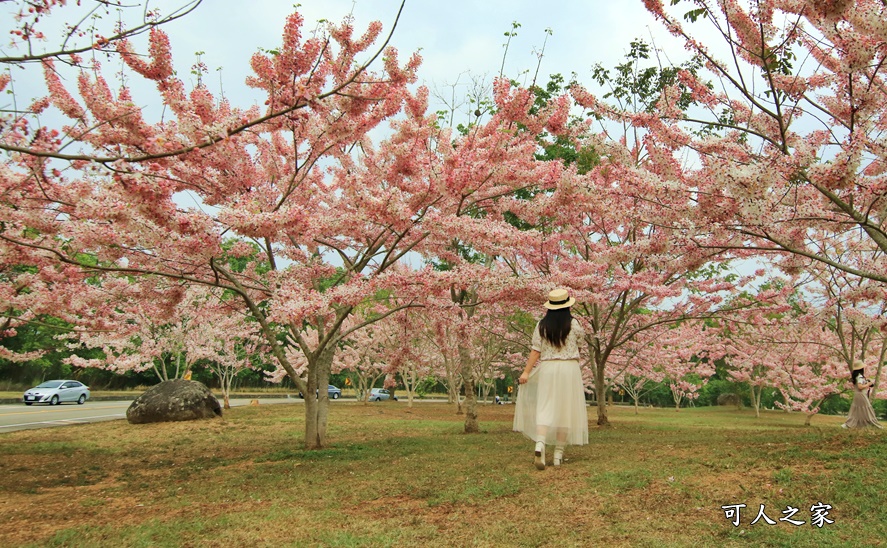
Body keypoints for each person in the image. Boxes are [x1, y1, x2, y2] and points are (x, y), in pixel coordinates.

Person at [513, 288, 589, 470]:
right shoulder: (574, 324)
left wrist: (526, 372)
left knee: (545, 406)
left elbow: (535, 350)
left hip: (548, 368)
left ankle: (540, 443)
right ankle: (558, 456)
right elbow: (580, 343)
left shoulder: (541, 325)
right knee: (565, 410)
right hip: (569, 369)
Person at [842, 361, 882, 429]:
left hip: (857, 395)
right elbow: (860, 387)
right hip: (861, 395)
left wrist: (866, 382)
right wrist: (868, 384)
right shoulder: (860, 376)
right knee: (867, 409)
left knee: (857, 410)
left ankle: (850, 424)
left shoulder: (856, 376)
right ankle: (871, 424)